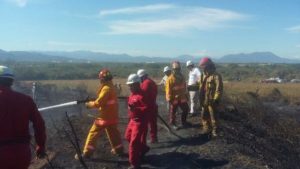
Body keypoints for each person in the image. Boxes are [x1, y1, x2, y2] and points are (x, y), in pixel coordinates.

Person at [0, 65, 46, 169]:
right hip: (22, 154)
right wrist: (41, 146)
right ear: (11, 81)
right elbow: (39, 124)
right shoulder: (26, 100)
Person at [75, 69, 123, 159]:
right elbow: (105, 101)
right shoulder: (112, 87)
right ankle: (119, 150)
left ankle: (86, 153)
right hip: (113, 116)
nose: (100, 80)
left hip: (104, 118)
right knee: (113, 133)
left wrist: (89, 104)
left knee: (93, 133)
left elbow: (99, 103)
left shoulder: (106, 89)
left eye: (100, 78)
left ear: (103, 79)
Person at [125, 74, 149, 169]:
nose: (129, 87)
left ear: (137, 84)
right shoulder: (132, 95)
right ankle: (144, 148)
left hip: (139, 122)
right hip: (132, 121)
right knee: (127, 137)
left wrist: (136, 109)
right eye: (129, 85)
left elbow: (147, 108)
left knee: (133, 143)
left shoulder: (142, 95)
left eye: (131, 85)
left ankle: (134, 164)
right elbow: (131, 108)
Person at [198, 57, 223, 137]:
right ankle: (206, 129)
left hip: (212, 100)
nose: (202, 68)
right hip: (204, 99)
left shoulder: (216, 76)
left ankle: (215, 131)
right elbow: (200, 86)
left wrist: (216, 99)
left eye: (203, 66)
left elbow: (219, 89)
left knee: (214, 117)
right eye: (202, 67)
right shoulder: (202, 75)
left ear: (208, 66)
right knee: (204, 115)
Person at [165, 61, 190, 130]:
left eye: (178, 69)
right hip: (174, 99)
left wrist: (187, 96)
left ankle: (183, 122)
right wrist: (169, 99)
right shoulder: (170, 79)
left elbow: (184, 87)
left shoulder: (182, 77)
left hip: (182, 98)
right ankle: (173, 123)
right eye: (175, 69)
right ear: (173, 69)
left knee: (186, 109)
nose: (177, 70)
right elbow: (168, 90)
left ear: (180, 69)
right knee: (173, 112)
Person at [137, 69, 158, 143]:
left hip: (148, 106)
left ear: (142, 76)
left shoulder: (146, 83)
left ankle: (143, 140)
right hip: (153, 105)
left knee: (144, 123)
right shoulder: (151, 82)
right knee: (153, 123)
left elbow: (143, 95)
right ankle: (154, 138)